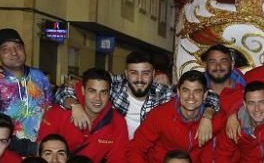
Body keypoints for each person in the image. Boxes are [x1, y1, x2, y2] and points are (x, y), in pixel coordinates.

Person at [55, 50, 219, 143]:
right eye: (134, 73)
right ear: (126, 73)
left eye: (145, 73)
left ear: (154, 74)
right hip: (107, 161)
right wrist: (75, 106)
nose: (139, 79)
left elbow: (208, 94)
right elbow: (66, 90)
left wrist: (207, 117)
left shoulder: (163, 92)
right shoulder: (112, 87)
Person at [37, 68, 129, 163]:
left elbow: (119, 159)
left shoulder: (117, 122)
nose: (98, 98)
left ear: (109, 94)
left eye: (103, 92)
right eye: (92, 91)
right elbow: (41, 149)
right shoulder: (59, 113)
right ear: (82, 90)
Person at [0, 28, 54, 155]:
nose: (14, 53)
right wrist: (30, 148)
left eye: (18, 46)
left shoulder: (39, 77)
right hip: (9, 154)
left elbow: (51, 109)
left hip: (42, 151)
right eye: (6, 49)